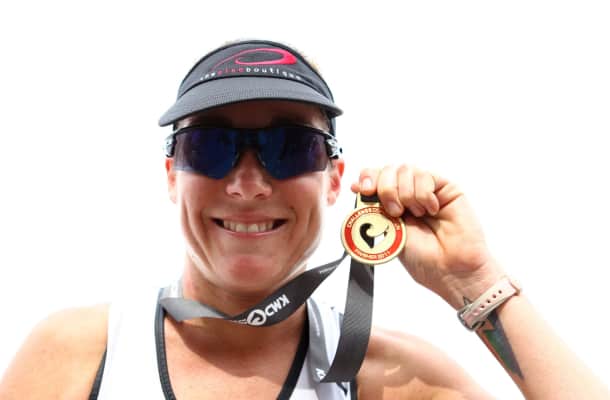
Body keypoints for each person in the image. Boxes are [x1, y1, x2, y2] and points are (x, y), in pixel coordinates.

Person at [0, 39, 608, 400]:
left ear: (335, 180)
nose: (247, 184)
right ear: (171, 175)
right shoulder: (82, 354)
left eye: (291, 148)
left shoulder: (388, 378)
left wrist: (475, 281)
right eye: (209, 147)